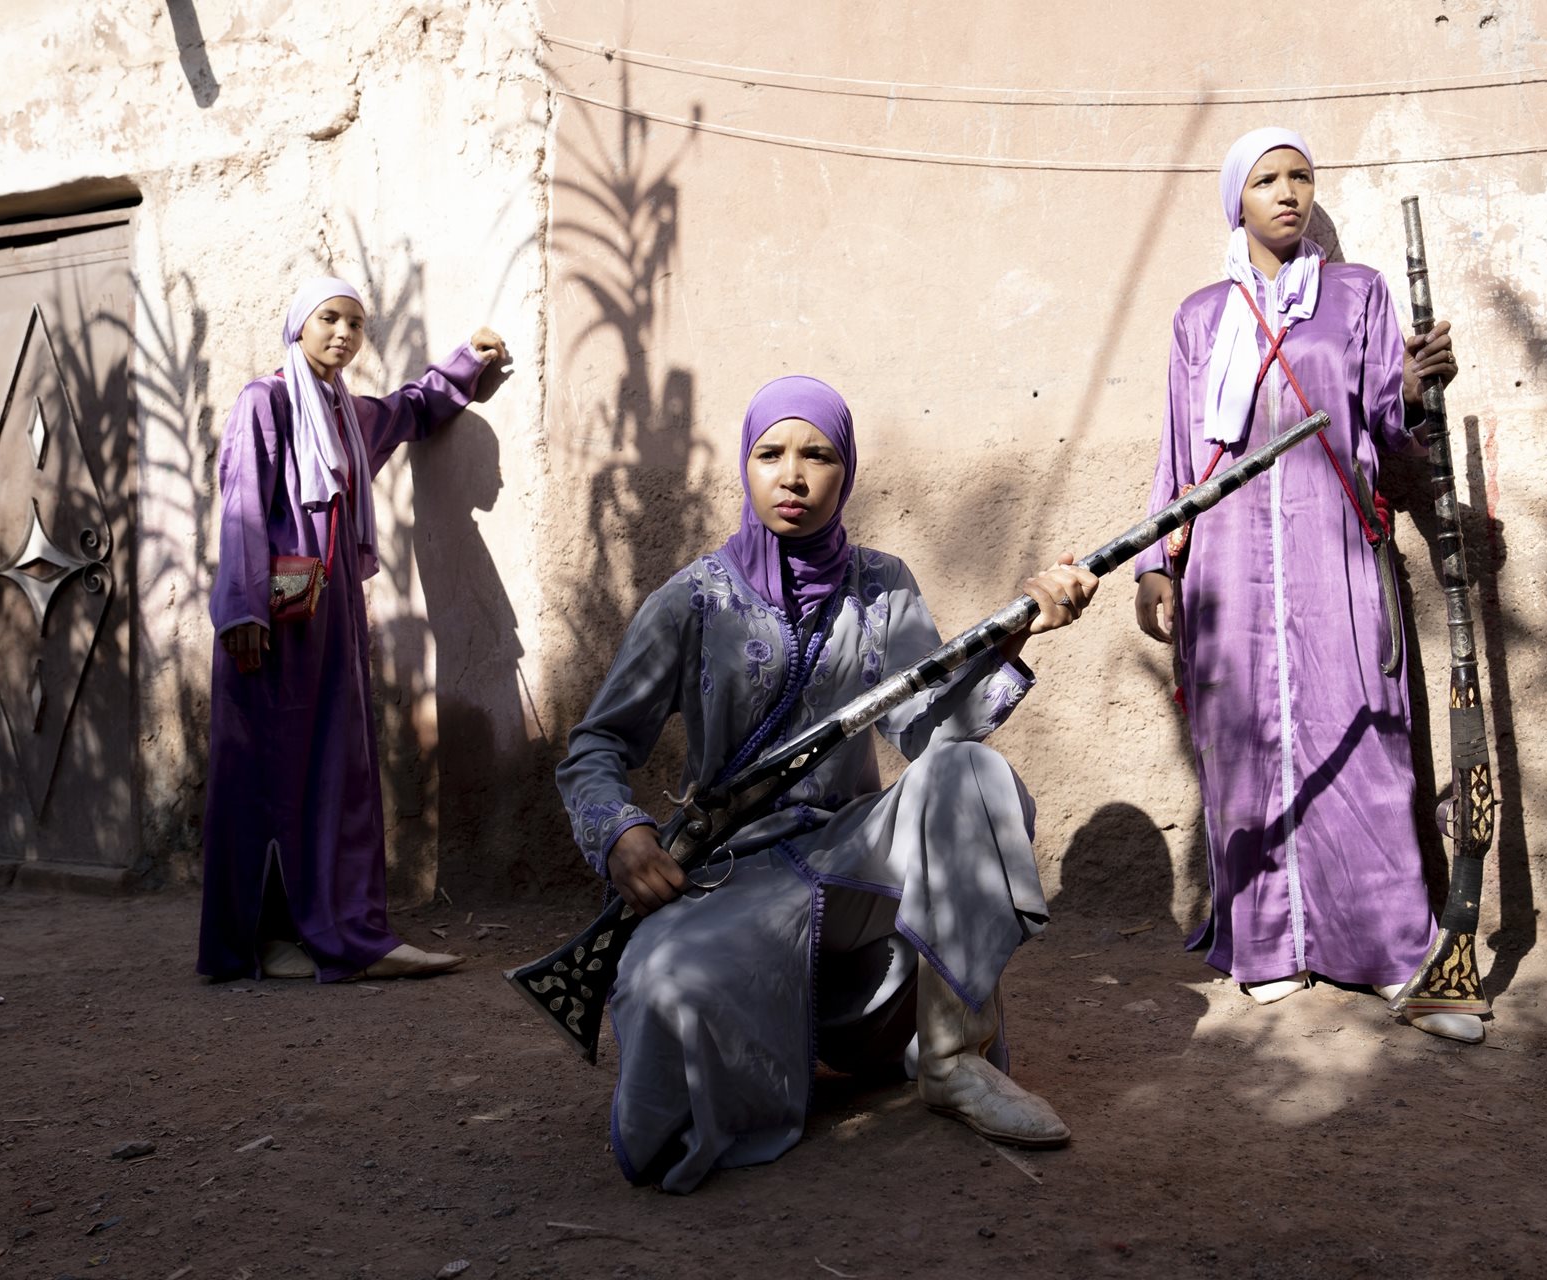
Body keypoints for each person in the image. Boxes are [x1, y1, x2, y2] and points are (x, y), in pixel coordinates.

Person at [556, 375, 1098, 1192]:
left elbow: (931, 732)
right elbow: (595, 744)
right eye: (771, 454)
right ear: (746, 466)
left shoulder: (883, 588)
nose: (794, 476)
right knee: (666, 994)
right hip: (734, 876)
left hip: (854, 856)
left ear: (846, 471)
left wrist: (1018, 642)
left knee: (970, 773)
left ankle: (954, 1061)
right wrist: (621, 835)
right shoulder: (693, 600)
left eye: (818, 455)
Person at [1131, 128, 1483, 1043]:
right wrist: (1156, 565)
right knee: (1244, 752)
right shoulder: (1201, 318)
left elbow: (1384, 430)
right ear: (1234, 201)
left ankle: (1399, 951)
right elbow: (1179, 450)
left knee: (1364, 740)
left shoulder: (1357, 293)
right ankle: (1270, 943)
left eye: (1300, 179)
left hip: (1337, 552)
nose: (1288, 193)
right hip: (1226, 566)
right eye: (1266, 180)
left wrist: (1409, 382)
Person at [199, 276, 507, 984]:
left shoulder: (343, 413)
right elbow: (244, 506)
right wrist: (243, 610)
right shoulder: (266, 402)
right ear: (298, 326)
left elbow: (410, 410)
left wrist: (470, 360)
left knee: (332, 767)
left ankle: (330, 928)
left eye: (355, 324)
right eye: (329, 319)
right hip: (273, 620)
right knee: (267, 769)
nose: (342, 333)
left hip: (331, 616)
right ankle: (258, 939)